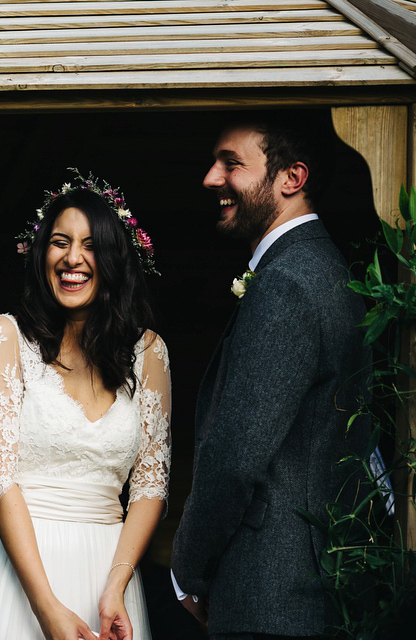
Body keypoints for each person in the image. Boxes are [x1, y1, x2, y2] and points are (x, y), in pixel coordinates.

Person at [0, 173, 171, 640]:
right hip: (17, 575)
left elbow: (151, 483)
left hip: (109, 572)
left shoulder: (149, 352)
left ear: (115, 258)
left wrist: (117, 583)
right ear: (40, 252)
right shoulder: (2, 337)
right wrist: (46, 607)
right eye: (60, 242)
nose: (73, 259)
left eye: (91, 245)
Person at [170, 118, 369, 639]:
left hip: (270, 594)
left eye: (231, 164)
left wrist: (188, 569)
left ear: (291, 177)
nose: (212, 179)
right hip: (306, 585)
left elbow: (235, 456)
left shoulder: (285, 283)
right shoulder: (322, 268)